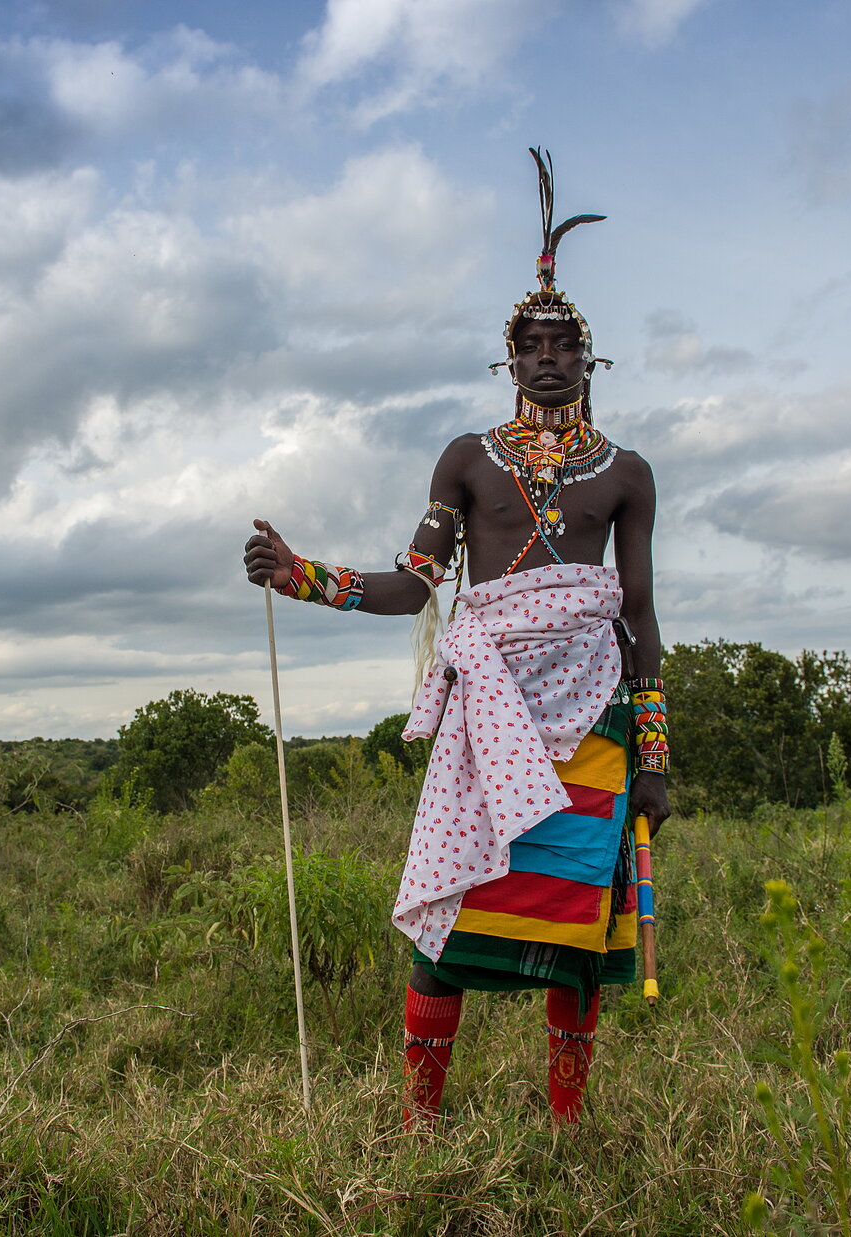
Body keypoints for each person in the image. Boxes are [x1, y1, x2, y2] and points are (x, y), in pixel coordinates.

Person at [243, 148, 670, 1129]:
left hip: (596, 721)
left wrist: (653, 753)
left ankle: (565, 1130)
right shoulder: (466, 460)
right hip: (488, 713)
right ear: (510, 360)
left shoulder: (626, 473)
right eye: (534, 342)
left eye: (565, 342)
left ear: (587, 360)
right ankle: (418, 1130)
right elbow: (410, 588)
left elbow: (638, 615)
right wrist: (298, 574)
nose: (550, 355)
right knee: (445, 925)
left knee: (574, 932)